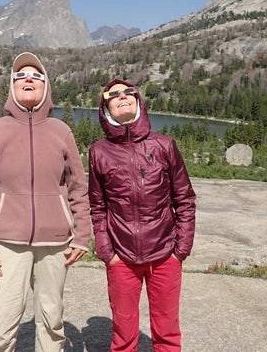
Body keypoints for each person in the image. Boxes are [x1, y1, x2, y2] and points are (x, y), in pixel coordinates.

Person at [0, 52, 91, 352]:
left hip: (55, 244)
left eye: (36, 76)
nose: (28, 79)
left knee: (52, 321)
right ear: (11, 86)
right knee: (1, 323)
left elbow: (78, 187)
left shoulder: (62, 131)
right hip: (6, 244)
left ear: (46, 86)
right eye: (21, 75)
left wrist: (82, 235)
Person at [88, 78, 197, 352]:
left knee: (167, 334)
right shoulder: (98, 152)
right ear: (105, 108)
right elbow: (97, 206)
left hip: (165, 256)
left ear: (138, 100)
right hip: (121, 258)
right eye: (113, 94)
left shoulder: (164, 146)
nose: (122, 96)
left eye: (128, 92)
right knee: (123, 338)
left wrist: (180, 249)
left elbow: (184, 199)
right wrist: (106, 251)